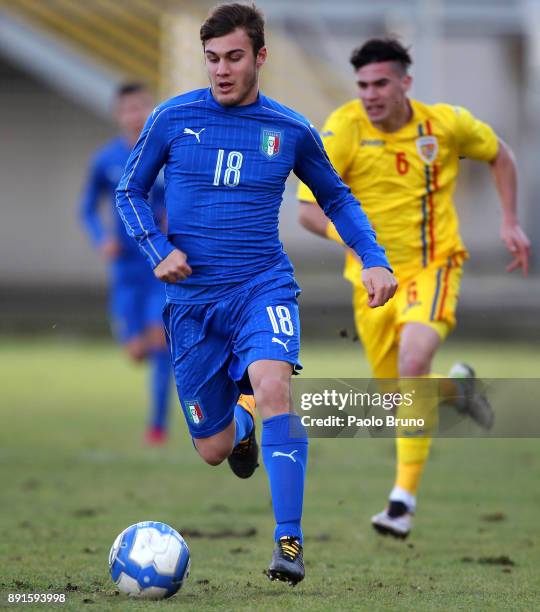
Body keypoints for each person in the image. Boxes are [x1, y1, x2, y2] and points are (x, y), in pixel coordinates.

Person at [116, 4, 396, 584]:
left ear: (260, 57)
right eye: (212, 58)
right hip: (191, 304)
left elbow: (337, 198)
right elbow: (129, 193)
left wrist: (372, 259)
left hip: (261, 286)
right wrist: (158, 251)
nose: (221, 70)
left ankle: (288, 541)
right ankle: (240, 424)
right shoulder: (173, 119)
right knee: (214, 448)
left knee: (274, 386)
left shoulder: (290, 129)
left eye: (234, 57)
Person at [297, 38, 531, 539]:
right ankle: (458, 389)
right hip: (373, 282)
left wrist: (510, 221)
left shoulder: (444, 124)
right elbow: (307, 211)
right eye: (362, 85)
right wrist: (360, 245)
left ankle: (400, 503)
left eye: (381, 83)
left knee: (412, 362)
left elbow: (500, 154)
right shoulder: (341, 129)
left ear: (405, 82)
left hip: (434, 266)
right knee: (403, 396)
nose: (371, 94)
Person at [80, 83, 173, 445]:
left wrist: (170, 223)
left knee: (159, 341)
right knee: (137, 352)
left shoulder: (165, 156)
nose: (135, 115)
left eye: (141, 108)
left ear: (150, 111)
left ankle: (157, 426)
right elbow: (86, 208)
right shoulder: (105, 161)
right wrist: (101, 239)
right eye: (128, 109)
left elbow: (180, 199)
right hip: (125, 272)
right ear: (118, 114)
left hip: (158, 266)